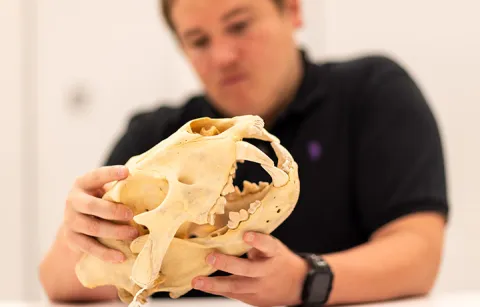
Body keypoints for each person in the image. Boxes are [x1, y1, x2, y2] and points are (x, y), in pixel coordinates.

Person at [38, 0, 449, 306]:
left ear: (292, 11)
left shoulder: (371, 93)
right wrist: (83, 231)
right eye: (198, 41)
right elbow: (58, 280)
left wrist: (305, 281)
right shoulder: (155, 135)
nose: (222, 57)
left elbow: (418, 254)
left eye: (239, 26)